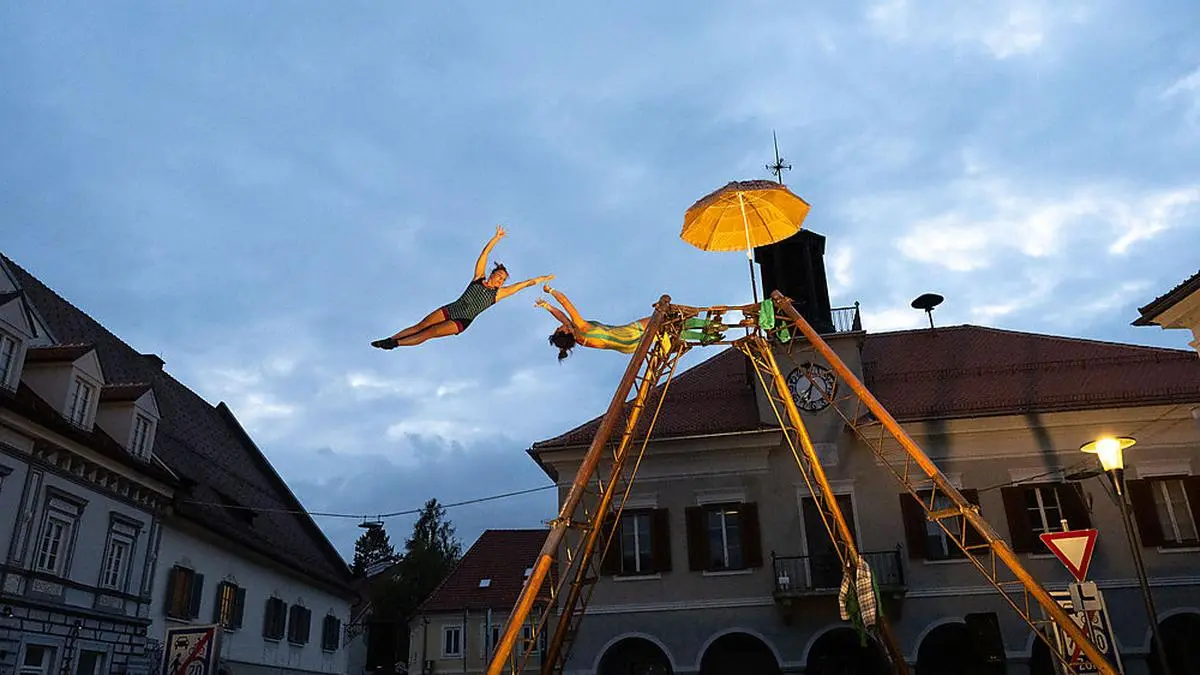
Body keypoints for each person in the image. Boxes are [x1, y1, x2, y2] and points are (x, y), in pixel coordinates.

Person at [371, 226, 554, 348]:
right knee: (422, 325)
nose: (500, 281)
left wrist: (542, 278)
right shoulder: (478, 278)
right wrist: (496, 238)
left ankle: (395, 345)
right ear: (492, 274)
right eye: (499, 276)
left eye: (503, 280)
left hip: (461, 321)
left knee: (429, 333)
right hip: (451, 308)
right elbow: (484, 254)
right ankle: (390, 339)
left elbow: (523, 285)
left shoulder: (498, 294)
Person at [537, 285, 651, 360]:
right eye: (558, 328)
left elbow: (562, 317)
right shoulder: (581, 327)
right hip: (628, 335)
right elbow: (565, 302)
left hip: (627, 348)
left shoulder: (579, 339)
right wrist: (550, 290)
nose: (559, 325)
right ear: (566, 332)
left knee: (660, 333)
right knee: (659, 318)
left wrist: (547, 306)